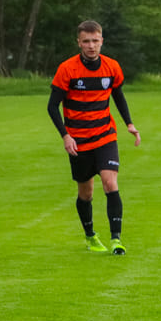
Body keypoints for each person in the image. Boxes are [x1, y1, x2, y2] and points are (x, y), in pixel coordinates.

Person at [47, 20, 141, 255]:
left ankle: (116, 240)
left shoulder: (112, 67)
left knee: (110, 183)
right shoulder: (67, 69)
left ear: (102, 41)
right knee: (85, 193)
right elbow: (52, 106)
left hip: (105, 136)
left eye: (95, 40)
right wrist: (66, 136)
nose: (91, 45)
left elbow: (118, 95)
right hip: (78, 141)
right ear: (78, 43)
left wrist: (129, 123)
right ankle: (90, 236)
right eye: (86, 41)